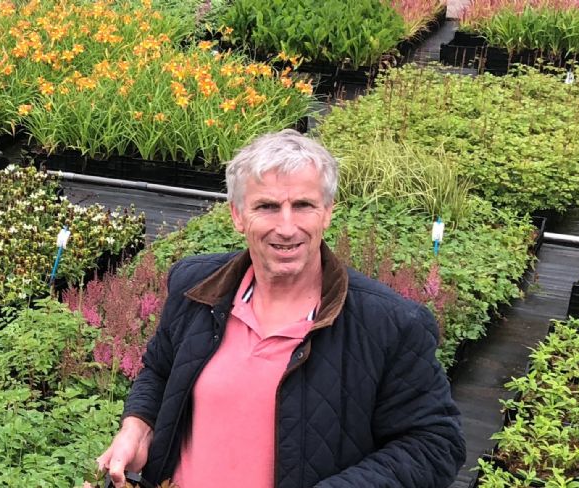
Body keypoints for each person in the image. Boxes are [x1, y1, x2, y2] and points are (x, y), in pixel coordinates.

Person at [97, 129, 466, 488]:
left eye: (303, 205)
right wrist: (137, 427)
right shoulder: (195, 287)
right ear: (238, 215)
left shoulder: (389, 324)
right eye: (267, 207)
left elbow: (435, 445)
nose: (286, 227)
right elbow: (160, 371)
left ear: (327, 212)